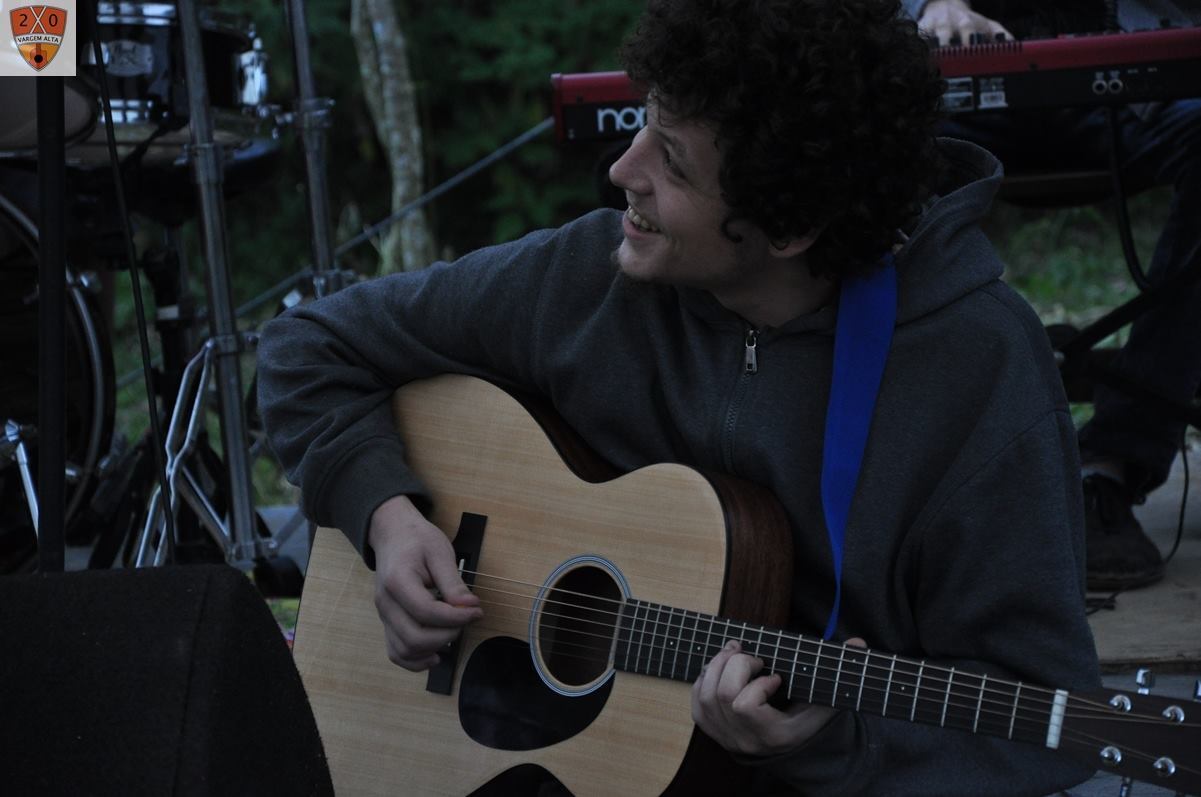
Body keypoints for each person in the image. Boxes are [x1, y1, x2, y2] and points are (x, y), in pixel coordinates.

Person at [258, 0, 1101, 792]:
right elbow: (307, 345)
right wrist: (388, 519)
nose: (623, 170)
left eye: (673, 160)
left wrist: (834, 744)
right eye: (641, 126)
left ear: (787, 226)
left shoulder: (972, 363)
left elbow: (1047, 722)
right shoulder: (583, 280)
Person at [905, 0, 1201, 591]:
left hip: (1140, 87)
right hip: (949, 88)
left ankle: (1111, 469)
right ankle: (923, 483)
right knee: (863, 149)